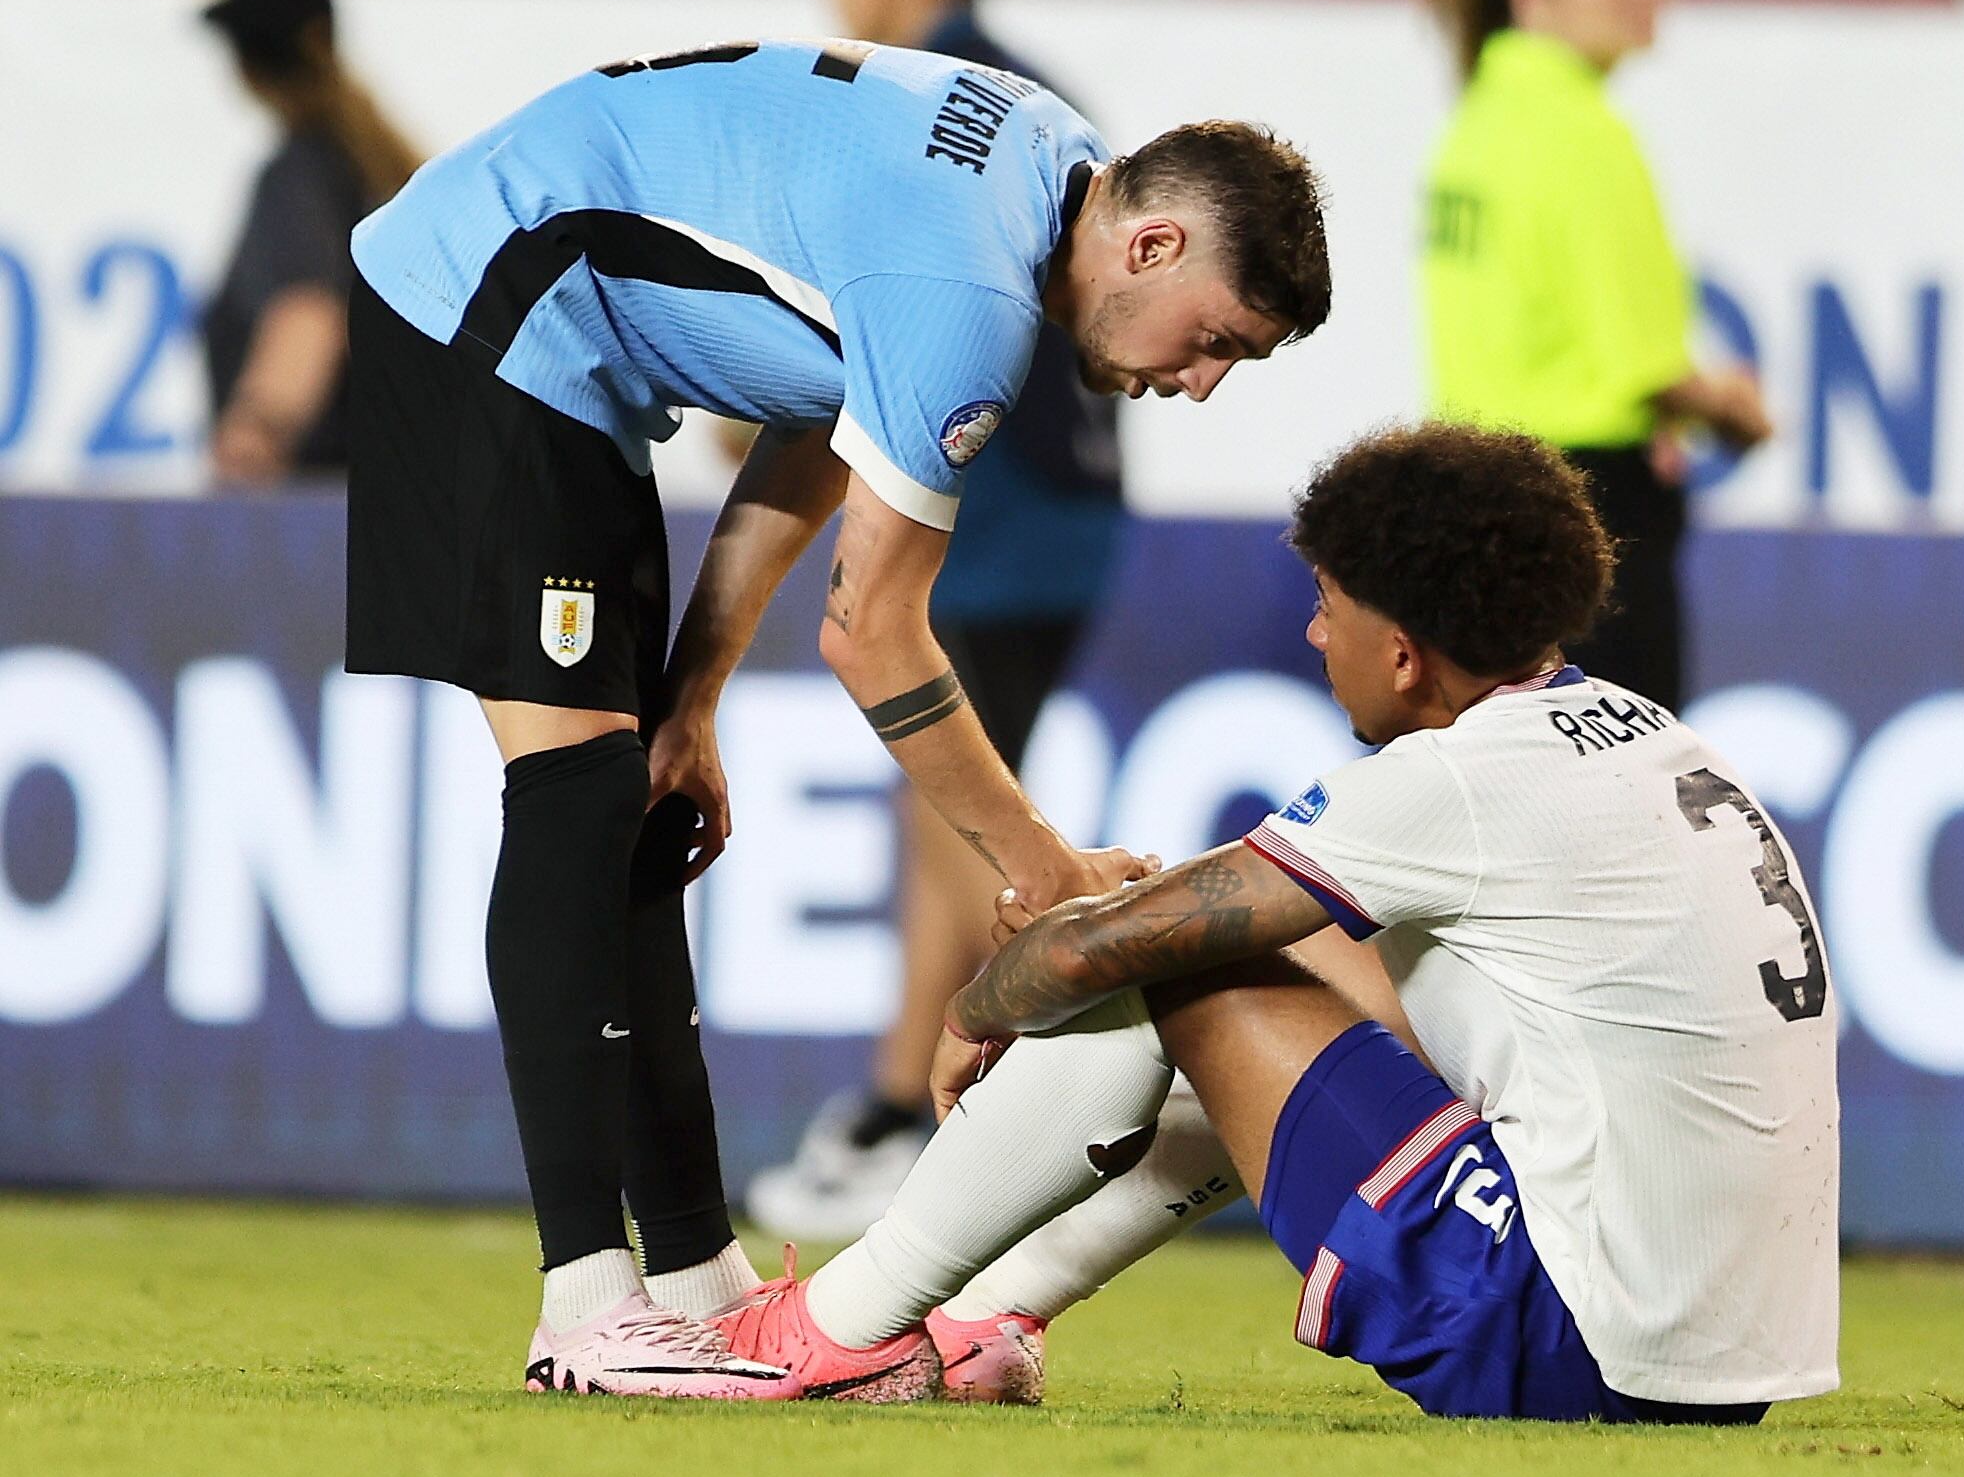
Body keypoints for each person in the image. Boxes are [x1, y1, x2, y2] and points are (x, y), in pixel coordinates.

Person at [342, 38, 1332, 1398]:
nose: (1201, 380)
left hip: (557, 336)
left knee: (631, 810)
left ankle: (697, 1284)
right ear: (1152, 244)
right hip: (487, 309)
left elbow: (829, 406)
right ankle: (583, 1306)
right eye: (1215, 339)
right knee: (574, 801)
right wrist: (1044, 874)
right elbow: (873, 634)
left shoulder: (1043, 162)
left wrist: (693, 698)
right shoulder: (969, 294)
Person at [699, 425, 1840, 1422]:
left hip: (1568, 1344)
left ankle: (830, 1332)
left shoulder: (1456, 780)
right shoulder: (1645, 733)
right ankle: (980, 1320)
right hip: (1720, 1360)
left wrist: (975, 1003)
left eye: (1326, 607)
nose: (1310, 637)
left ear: (1403, 653)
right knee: (1292, 978)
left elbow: (1117, 946)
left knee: (1189, 973)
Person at [746, 0, 1134, 1245]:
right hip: (1033, 522)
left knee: (961, 823)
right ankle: (900, 1103)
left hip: (1007, 523)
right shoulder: (1016, 90)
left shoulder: (939, 95)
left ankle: (932, 1115)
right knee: (941, 822)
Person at [1421, 0, 1772, 712]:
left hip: (1474, 504)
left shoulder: (1473, 127)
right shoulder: (1586, 136)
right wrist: (1735, 407)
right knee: (1620, 799)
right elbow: (1649, 368)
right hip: (1587, 520)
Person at [199, 0, 420, 486]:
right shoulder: (376, 168)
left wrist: (256, 435)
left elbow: (309, 311)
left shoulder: (302, 173)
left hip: (321, 494)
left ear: (247, 68)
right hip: (388, 488)